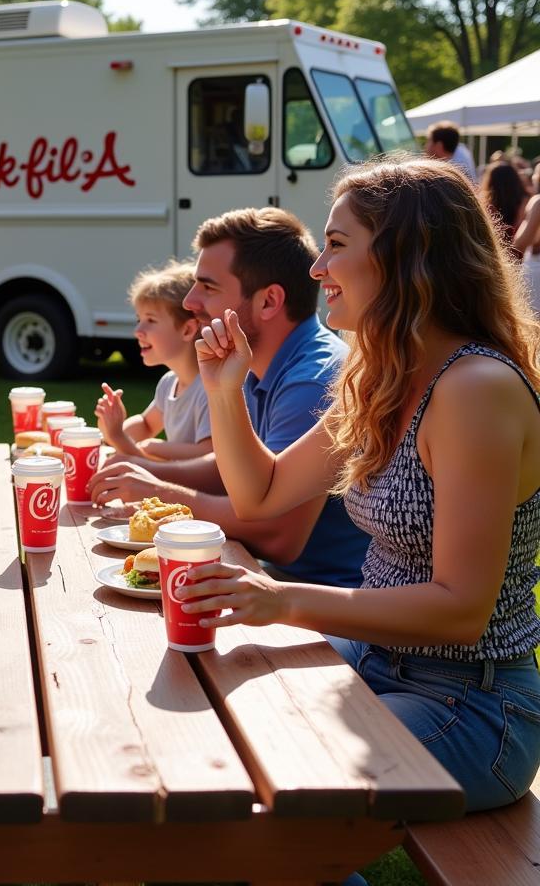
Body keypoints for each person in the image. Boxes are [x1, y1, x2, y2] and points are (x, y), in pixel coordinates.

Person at [182, 158, 540, 812]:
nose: (317, 269)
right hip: (377, 660)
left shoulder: (474, 390)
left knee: (278, 791)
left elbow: (461, 608)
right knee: (211, 727)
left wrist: (283, 601)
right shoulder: (383, 378)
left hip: (470, 700)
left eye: (337, 246)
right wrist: (224, 389)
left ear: (408, 257)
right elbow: (260, 492)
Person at [89, 208, 370, 589]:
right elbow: (226, 467)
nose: (189, 301)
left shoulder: (313, 379)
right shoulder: (260, 364)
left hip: (322, 606)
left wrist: (159, 492)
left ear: (269, 302)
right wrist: (136, 467)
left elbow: (278, 536)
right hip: (272, 582)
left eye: (207, 287)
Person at [96, 259, 213, 461]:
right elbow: (146, 424)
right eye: (138, 320)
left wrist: (142, 444)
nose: (138, 331)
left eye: (151, 320)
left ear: (188, 329)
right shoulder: (170, 382)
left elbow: (209, 454)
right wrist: (109, 431)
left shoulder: (209, 389)